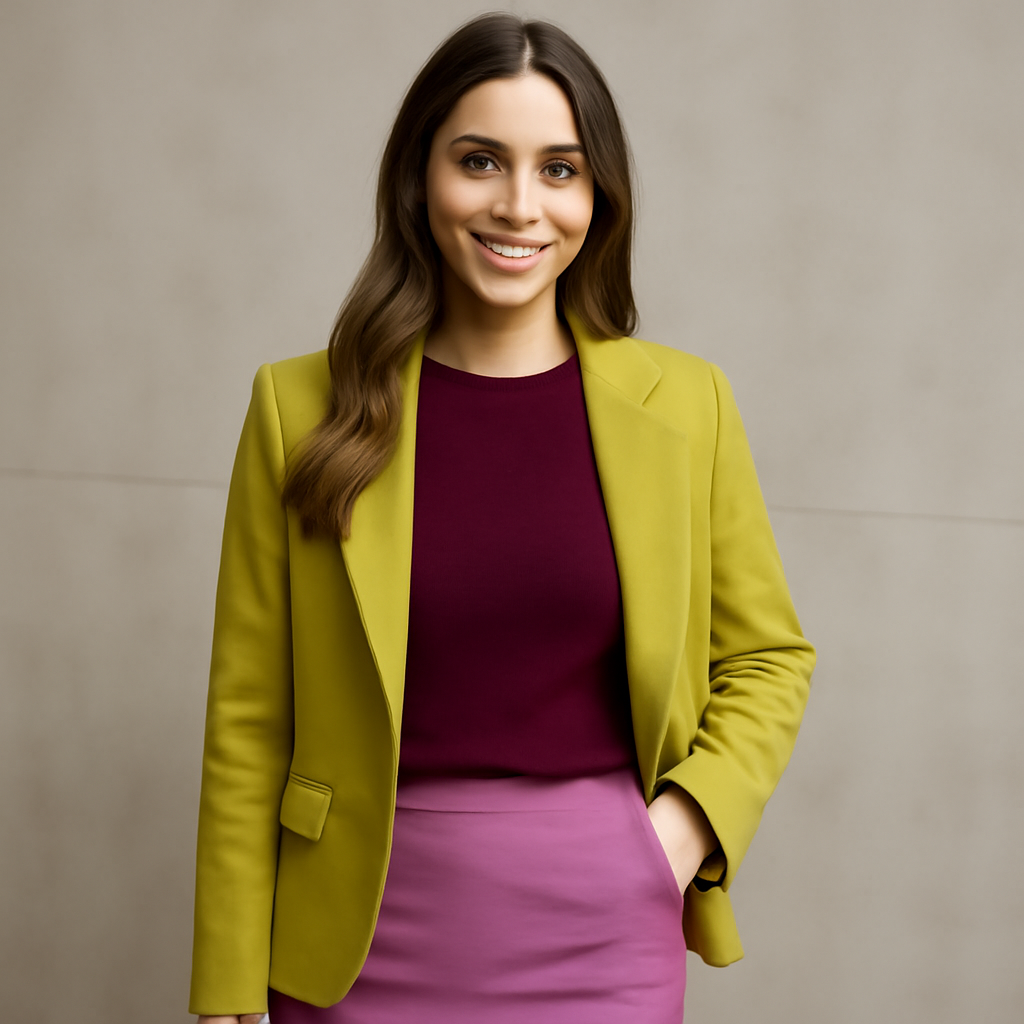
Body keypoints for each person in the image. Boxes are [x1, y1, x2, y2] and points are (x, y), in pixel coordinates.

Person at [188, 11, 815, 1024]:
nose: (519, 206)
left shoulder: (686, 404)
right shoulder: (296, 409)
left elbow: (768, 657)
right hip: (354, 928)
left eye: (559, 169)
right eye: (480, 161)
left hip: (605, 921)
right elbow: (248, 718)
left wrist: (682, 827)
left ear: (596, 194)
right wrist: (222, 983)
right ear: (420, 177)